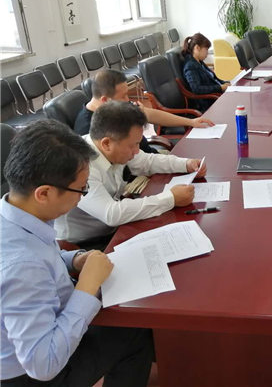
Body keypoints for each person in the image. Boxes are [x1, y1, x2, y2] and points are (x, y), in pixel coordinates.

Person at [0, 120, 153, 386]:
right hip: (33, 373)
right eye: (81, 189)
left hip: (43, 322)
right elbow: (43, 365)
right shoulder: (22, 266)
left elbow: (44, 258)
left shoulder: (18, 213)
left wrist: (75, 259)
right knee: (134, 332)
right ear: (44, 193)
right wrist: (87, 288)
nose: (82, 196)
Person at [56, 101, 205, 249]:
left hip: (118, 226)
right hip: (88, 244)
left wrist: (186, 164)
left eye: (138, 143)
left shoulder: (114, 144)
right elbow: (112, 214)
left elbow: (147, 161)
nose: (137, 150)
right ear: (106, 144)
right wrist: (171, 198)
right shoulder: (80, 166)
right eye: (133, 145)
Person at [74, 69, 214, 153]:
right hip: (137, 175)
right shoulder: (89, 129)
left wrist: (190, 122)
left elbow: (151, 114)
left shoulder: (115, 107)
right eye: (123, 96)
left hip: (149, 158)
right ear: (105, 100)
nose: (128, 99)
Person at [182, 33, 229, 112]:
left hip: (217, 96)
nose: (207, 53)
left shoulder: (199, 62)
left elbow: (213, 78)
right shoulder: (190, 66)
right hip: (208, 103)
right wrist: (220, 87)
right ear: (197, 48)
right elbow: (196, 89)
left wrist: (225, 83)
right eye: (206, 49)